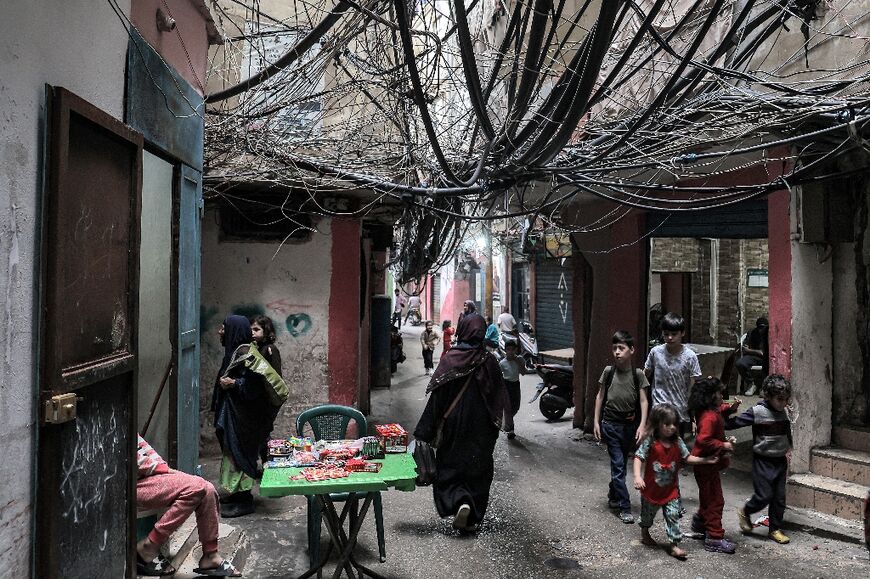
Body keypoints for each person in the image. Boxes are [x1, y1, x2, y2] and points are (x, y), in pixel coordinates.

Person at [413, 313, 506, 532]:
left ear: (463, 330)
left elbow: (438, 397)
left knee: (450, 465)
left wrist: (424, 431)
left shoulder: (452, 359)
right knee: (479, 468)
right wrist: (496, 425)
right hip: (482, 428)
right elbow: (500, 396)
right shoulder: (490, 361)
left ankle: (458, 502)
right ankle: (471, 510)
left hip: (454, 426)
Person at [136, 434, 241, 577]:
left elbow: (145, 453)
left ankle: (210, 555)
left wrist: (170, 472)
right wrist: (171, 473)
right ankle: (149, 545)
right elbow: (140, 464)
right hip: (129, 485)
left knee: (208, 489)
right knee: (197, 486)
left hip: (149, 478)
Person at [634, 404, 719, 560]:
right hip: (651, 491)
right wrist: (638, 477)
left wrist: (705, 460)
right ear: (657, 424)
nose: (671, 427)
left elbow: (687, 458)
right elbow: (638, 457)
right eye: (667, 424)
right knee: (647, 518)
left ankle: (674, 545)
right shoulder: (651, 441)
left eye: (674, 424)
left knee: (673, 516)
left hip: (671, 491)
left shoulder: (677, 442)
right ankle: (645, 533)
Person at [212, 315, 275, 517]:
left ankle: (245, 499)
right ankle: (236, 494)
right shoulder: (233, 353)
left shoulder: (248, 356)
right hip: (234, 417)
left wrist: (234, 384)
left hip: (244, 420)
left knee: (241, 457)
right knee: (232, 457)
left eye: (224, 328)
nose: (220, 332)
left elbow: (254, 389)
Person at [726, 374, 794, 545]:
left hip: (780, 461)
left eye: (786, 399)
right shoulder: (758, 412)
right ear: (768, 396)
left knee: (779, 498)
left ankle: (775, 529)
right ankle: (745, 511)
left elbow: (786, 431)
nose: (784, 403)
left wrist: (789, 445)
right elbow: (734, 423)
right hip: (763, 461)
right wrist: (715, 419)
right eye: (780, 399)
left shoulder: (784, 411)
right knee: (764, 495)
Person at [593, 330, 650, 524]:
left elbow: (643, 401)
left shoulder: (638, 375)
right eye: (614, 348)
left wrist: (642, 425)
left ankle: (613, 493)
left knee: (620, 466)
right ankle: (625, 507)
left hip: (629, 426)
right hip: (610, 424)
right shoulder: (608, 372)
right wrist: (595, 421)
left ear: (631, 350)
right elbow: (600, 396)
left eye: (621, 348)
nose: (617, 352)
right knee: (618, 466)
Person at [688, 377, 740, 554]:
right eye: (719, 393)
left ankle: (702, 522)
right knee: (715, 500)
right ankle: (714, 538)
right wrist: (723, 445)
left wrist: (730, 408)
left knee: (707, 497)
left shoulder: (709, 411)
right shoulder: (709, 417)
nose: (722, 396)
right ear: (711, 396)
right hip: (706, 464)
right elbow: (704, 440)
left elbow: (720, 411)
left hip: (707, 465)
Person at [644, 312, 701, 437]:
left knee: (675, 449)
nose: (670, 337)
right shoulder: (655, 352)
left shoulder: (690, 356)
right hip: (659, 408)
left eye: (674, 334)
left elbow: (694, 387)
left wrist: (693, 416)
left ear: (682, 333)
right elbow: (645, 376)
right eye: (666, 334)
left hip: (679, 410)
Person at [250, 315, 284, 465]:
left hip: (267, 400)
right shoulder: (256, 348)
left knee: (263, 433)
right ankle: (266, 463)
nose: (252, 333)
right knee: (261, 433)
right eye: (250, 329)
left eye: (256, 329)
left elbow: (275, 378)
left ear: (267, 331)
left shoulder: (269, 349)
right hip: (259, 400)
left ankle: (268, 463)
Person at [499, 339, 528, 440]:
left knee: (516, 407)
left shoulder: (520, 359)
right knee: (508, 408)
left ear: (516, 350)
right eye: (508, 349)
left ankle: (506, 421)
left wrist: (519, 362)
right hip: (506, 386)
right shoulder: (502, 363)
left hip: (516, 385)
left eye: (512, 349)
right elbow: (499, 376)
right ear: (505, 350)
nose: (510, 352)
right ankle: (510, 430)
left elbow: (523, 372)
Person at [737, 317, 769, 396]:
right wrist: (757, 352)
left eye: (763, 327)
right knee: (740, 363)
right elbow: (745, 349)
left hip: (766, 358)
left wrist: (751, 350)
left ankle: (764, 387)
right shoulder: (752, 333)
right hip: (753, 357)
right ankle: (751, 383)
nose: (761, 330)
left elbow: (764, 353)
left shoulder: (770, 334)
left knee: (771, 365)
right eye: (759, 327)